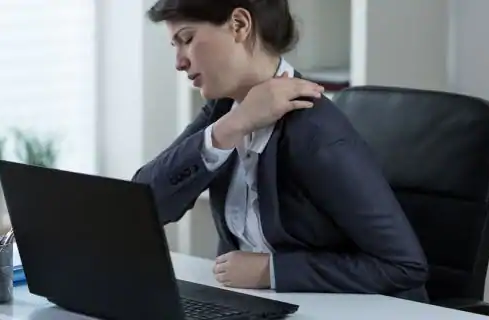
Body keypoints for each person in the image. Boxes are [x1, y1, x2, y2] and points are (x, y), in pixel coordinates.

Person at [133, 0, 430, 302]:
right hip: (265, 304)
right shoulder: (225, 111)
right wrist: (233, 126)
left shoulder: (315, 132)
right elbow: (143, 204)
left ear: (239, 25)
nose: (179, 62)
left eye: (187, 39)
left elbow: (405, 267)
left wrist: (270, 270)